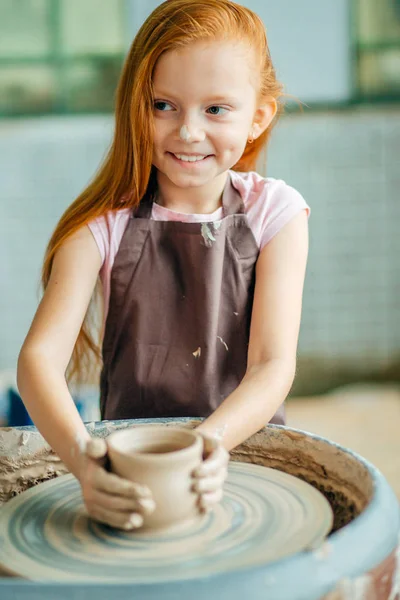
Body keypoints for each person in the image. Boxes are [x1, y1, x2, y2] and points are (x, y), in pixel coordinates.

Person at [17, 0, 309, 531]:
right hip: (129, 475)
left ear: (258, 116)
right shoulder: (99, 227)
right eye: (163, 105)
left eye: (216, 109)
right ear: (135, 105)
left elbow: (272, 365)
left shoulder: (278, 214)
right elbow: (38, 361)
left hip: (238, 460)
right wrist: (83, 459)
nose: (188, 132)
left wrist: (206, 444)